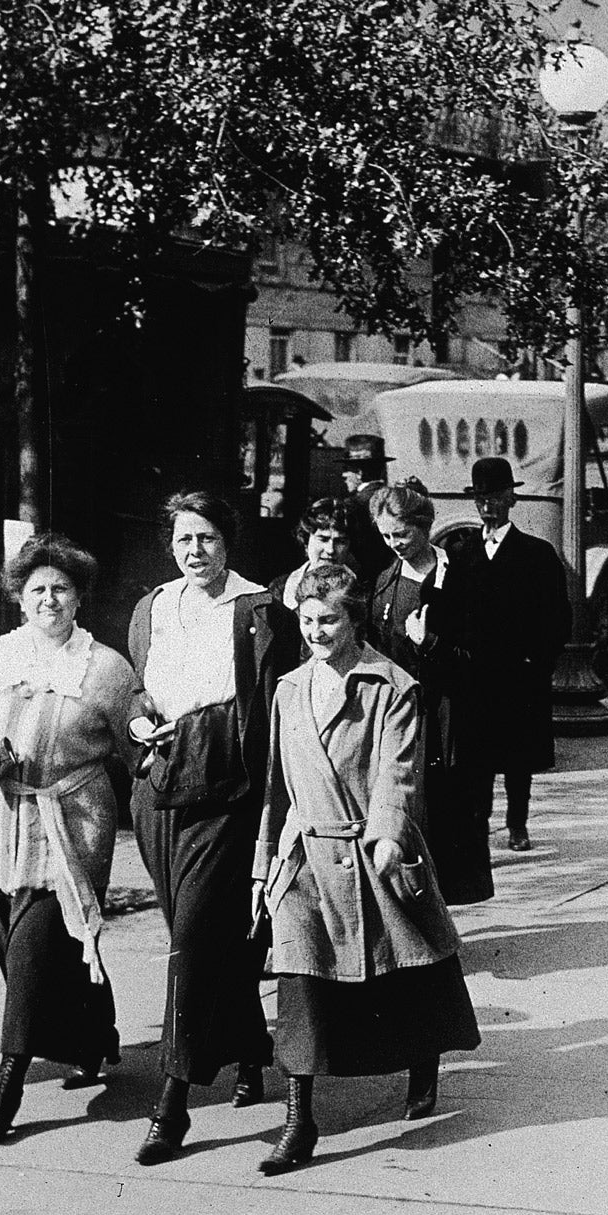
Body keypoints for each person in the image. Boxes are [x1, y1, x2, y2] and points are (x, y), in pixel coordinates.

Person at [248, 564, 481, 1174]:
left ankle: (423, 1057)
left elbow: (397, 773)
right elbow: (277, 789)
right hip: (304, 857)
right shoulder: (288, 688)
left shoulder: (392, 685)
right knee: (299, 980)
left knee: (406, 965)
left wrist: (386, 836)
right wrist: (262, 864)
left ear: (355, 620)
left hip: (370, 847)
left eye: (329, 619)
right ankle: (300, 1119)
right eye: (306, 620)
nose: (316, 632)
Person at [0, 533, 145, 1138]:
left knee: (38, 943)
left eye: (62, 589)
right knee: (20, 946)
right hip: (1, 816)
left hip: (73, 817)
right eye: (38, 590)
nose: (50, 600)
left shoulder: (106, 667)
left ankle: (8, 1085)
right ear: (19, 599)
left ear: (79, 598)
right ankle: (93, 1034)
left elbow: (136, 742)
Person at [127, 491, 297, 1165]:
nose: (195, 551)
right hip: (160, 782)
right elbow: (139, 685)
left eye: (206, 538)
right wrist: (140, 717)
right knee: (193, 934)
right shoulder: (153, 607)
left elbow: (281, 700)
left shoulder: (258, 610)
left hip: (228, 777)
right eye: (184, 539)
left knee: (194, 942)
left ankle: (170, 1108)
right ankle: (250, 1047)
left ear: (228, 542)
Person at [366, 479, 492, 905]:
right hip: (403, 718)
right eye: (385, 536)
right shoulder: (384, 583)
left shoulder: (465, 575)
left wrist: (431, 644)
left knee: (451, 819)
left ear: (424, 525)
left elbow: (487, 657)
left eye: (401, 534)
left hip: (452, 718)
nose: (394, 543)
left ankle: (442, 913)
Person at [444, 456, 571, 853]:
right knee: (476, 760)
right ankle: (479, 826)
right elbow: (448, 611)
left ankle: (517, 824)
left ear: (512, 498)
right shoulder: (460, 552)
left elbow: (558, 616)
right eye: (481, 498)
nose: (489, 506)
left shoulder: (537, 553)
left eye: (497, 496)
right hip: (475, 675)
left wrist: (539, 662)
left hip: (520, 674)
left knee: (518, 758)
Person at [270, 497, 358, 613]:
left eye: (340, 541)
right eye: (323, 539)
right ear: (306, 541)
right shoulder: (281, 588)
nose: (330, 550)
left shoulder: (361, 588)